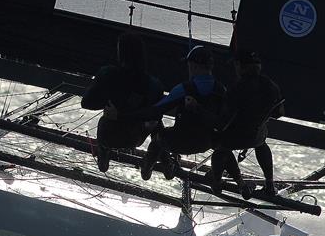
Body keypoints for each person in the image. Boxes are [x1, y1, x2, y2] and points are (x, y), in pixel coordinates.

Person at [118, 45, 228, 181]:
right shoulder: (221, 89)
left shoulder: (185, 88)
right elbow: (222, 122)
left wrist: (123, 115)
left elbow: (155, 110)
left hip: (179, 142)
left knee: (159, 137)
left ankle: (148, 166)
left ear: (193, 66)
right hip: (205, 143)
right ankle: (172, 166)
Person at [81, 33, 163, 172]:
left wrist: (107, 102)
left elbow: (86, 103)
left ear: (120, 53)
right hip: (133, 138)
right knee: (157, 123)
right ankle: (154, 159)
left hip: (107, 133)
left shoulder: (107, 73)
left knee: (106, 122)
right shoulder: (153, 84)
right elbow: (154, 115)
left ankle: (104, 150)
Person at [206, 50, 284, 197]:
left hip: (235, 137)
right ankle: (269, 184)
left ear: (242, 67)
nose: (235, 68)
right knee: (262, 144)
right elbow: (279, 112)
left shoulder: (237, 88)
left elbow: (223, 121)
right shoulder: (270, 85)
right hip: (257, 136)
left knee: (220, 148)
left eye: (236, 65)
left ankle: (217, 182)